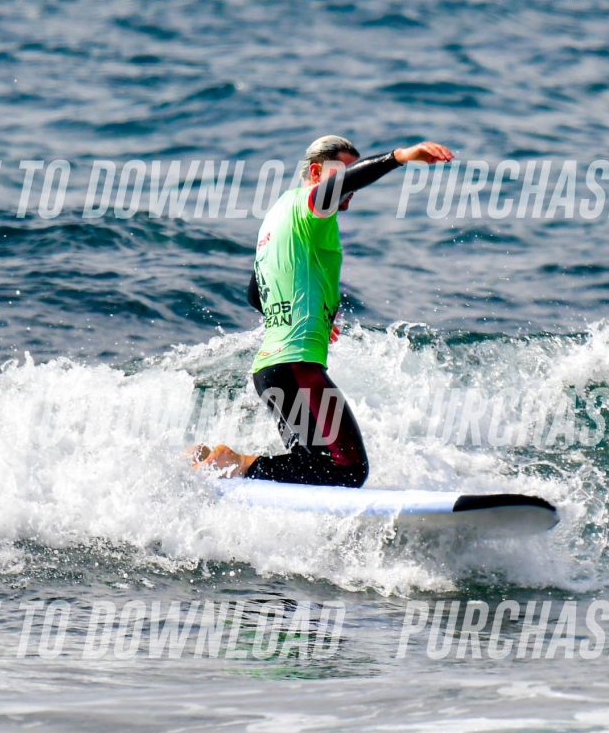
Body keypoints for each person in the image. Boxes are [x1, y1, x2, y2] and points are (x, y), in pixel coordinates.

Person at [193, 134, 454, 485]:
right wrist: (400, 157)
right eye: (342, 178)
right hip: (296, 367)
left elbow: (255, 294)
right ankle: (236, 462)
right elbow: (339, 186)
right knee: (349, 468)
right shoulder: (309, 207)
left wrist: (309, 313)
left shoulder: (277, 216)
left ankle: (208, 459)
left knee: (311, 461)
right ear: (316, 173)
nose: (348, 192)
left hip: (270, 369)